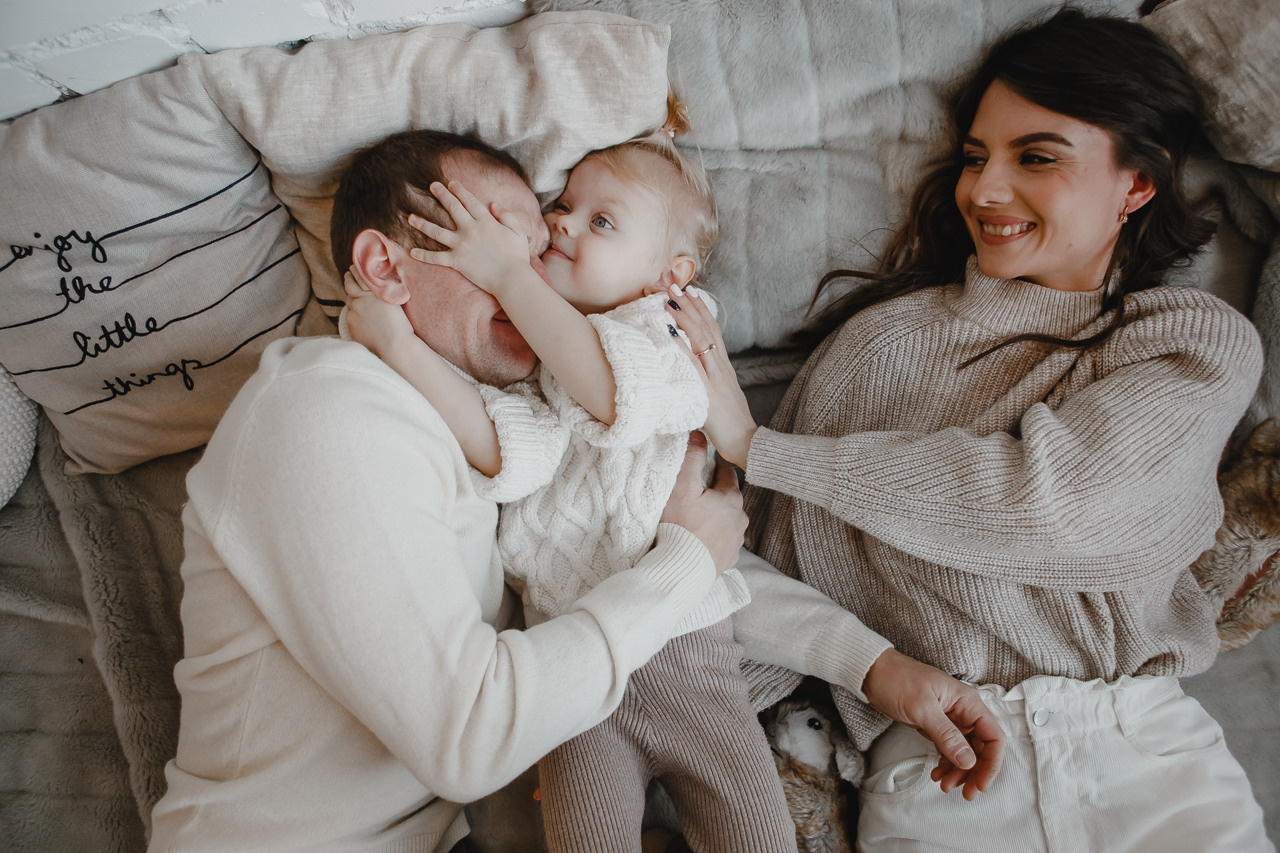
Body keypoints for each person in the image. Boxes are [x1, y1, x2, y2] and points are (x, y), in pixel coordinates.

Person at [149, 127, 999, 853]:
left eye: (538, 251)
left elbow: (655, 563)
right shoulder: (324, 408)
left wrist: (875, 666)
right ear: (385, 266)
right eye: (499, 251)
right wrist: (678, 564)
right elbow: (482, 721)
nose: (538, 270)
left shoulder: (511, 430)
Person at [667, 9, 1274, 852]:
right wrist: (870, 669)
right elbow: (740, 577)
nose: (985, 191)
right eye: (975, 157)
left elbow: (1066, 512)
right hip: (935, 771)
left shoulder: (1189, 339)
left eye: (1036, 157)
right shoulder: (872, 350)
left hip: (1146, 761)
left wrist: (765, 448)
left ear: (1138, 184)